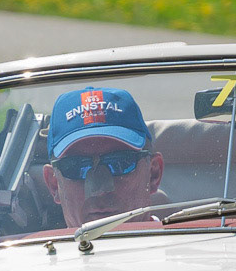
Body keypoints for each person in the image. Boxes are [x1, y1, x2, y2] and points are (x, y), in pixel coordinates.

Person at [41, 86, 166, 227]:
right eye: (77, 168)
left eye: (120, 164)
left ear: (153, 174)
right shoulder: (23, 249)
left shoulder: (187, 245)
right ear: (54, 185)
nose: (99, 190)